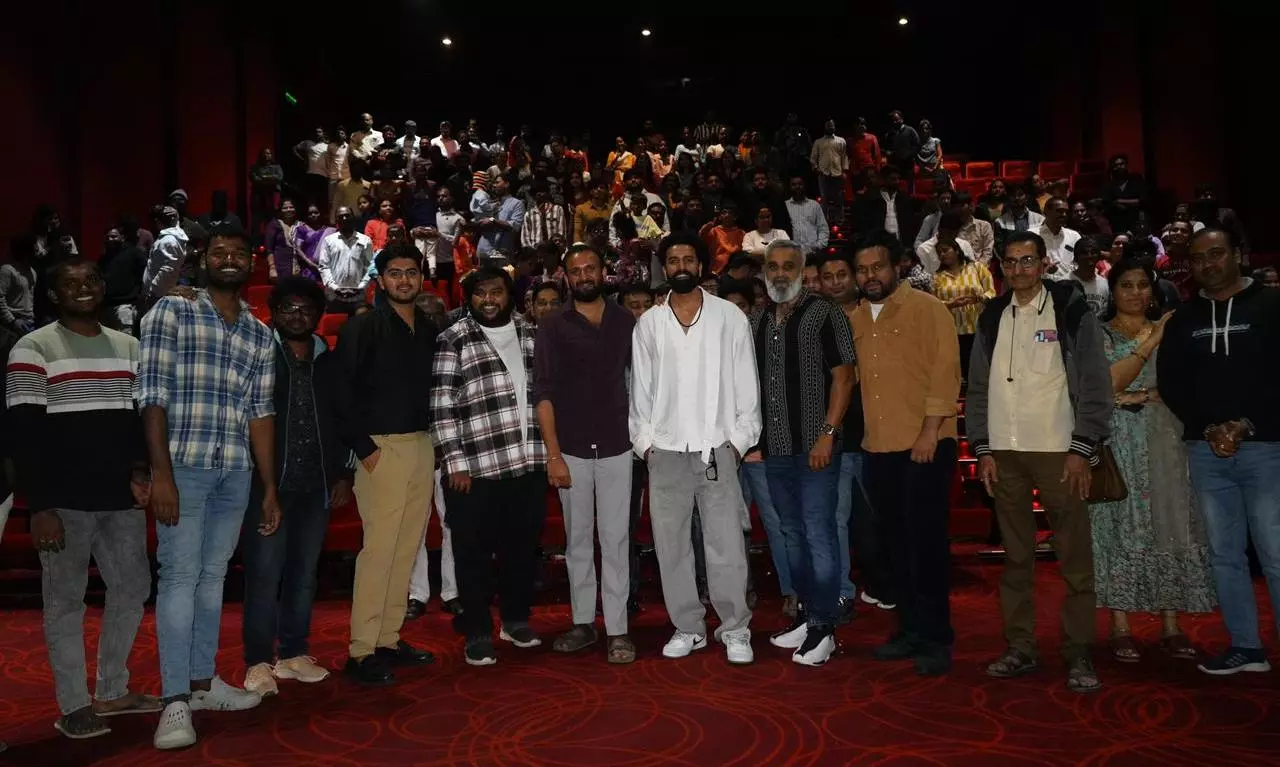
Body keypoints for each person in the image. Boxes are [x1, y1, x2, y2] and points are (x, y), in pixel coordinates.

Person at [6, 258, 160, 739]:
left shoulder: (129, 346)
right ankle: (73, 705)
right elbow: (24, 437)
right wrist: (40, 507)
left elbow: (137, 421)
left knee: (132, 591)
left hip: (120, 499)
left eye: (90, 280)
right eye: (69, 284)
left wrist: (140, 470)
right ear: (53, 295)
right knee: (65, 603)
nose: (83, 289)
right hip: (62, 504)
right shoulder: (33, 347)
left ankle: (112, 690)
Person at [139, 223, 277, 749]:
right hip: (183, 466)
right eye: (219, 252)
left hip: (235, 471)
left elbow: (260, 413)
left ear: (251, 263)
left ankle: (202, 682)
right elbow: (151, 396)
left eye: (238, 252)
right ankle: (174, 700)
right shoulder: (172, 311)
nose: (229, 259)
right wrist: (161, 474)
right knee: (179, 576)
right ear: (203, 259)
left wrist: (268, 486)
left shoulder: (259, 332)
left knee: (214, 577)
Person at [967, 230, 1112, 693]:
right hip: (1004, 452)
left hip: (1059, 452)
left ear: (1045, 262)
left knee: (1074, 559)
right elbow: (977, 387)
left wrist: (1082, 447)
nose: (1018, 269)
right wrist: (983, 448)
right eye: (1010, 262)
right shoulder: (992, 314)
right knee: (1015, 559)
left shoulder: (1070, 311)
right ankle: (1021, 647)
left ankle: (1078, 650)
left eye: (1027, 260)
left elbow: (1095, 381)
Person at [629, 231, 760, 665]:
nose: (681, 266)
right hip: (665, 451)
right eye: (673, 260)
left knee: (726, 544)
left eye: (688, 259)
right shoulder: (650, 323)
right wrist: (646, 445)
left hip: (717, 447)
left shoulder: (729, 317)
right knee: (671, 546)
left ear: (701, 266)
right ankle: (688, 627)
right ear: (664, 268)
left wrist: (738, 443)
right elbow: (640, 391)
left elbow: (747, 384)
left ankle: (735, 627)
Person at [1158, 228, 1280, 675]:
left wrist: (1245, 424)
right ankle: (1246, 646)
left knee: (1275, 551)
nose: (1208, 264)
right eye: (1198, 258)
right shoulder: (1185, 317)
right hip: (1207, 451)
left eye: (1217, 253)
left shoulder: (1271, 305)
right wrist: (1209, 428)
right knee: (1225, 554)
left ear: (1237, 254)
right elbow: (1172, 382)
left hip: (1267, 447)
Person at [1091, 256, 1215, 664]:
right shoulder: (1098, 334)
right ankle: (1120, 626)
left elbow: (1187, 383)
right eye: (1126, 285)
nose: (1135, 293)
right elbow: (1107, 385)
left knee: (1170, 521)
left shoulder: (1173, 329)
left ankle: (1171, 624)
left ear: (1154, 289)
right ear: (1113, 291)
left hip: (1166, 437)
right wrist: (1150, 349)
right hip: (1118, 441)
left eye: (1143, 284)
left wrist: (1138, 395)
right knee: (1119, 525)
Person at [850, 229, 961, 677]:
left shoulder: (928, 309)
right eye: (862, 270)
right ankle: (910, 628)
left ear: (896, 265)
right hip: (879, 448)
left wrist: (930, 431)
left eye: (877, 266)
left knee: (926, 545)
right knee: (894, 546)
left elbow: (946, 372)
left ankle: (935, 637)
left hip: (925, 445)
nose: (870, 276)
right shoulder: (855, 318)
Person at [238, 277, 354, 697]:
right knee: (264, 574)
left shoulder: (328, 358)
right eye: (288, 308)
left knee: (304, 574)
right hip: (268, 484)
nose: (297, 315)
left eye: (306, 309)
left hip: (316, 485)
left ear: (318, 316)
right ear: (274, 312)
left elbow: (342, 416)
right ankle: (257, 661)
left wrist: (343, 474)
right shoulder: (259, 352)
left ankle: (293, 653)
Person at [332, 243, 439, 685]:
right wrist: (365, 449)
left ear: (421, 277)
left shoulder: (428, 329)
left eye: (411, 272)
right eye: (395, 273)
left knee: (406, 548)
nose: (404, 280)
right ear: (380, 279)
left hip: (422, 446)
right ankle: (362, 650)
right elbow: (341, 390)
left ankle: (389, 639)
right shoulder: (363, 327)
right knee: (379, 551)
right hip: (381, 449)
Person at [432, 266, 547, 666]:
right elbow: (442, 407)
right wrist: (454, 463)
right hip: (475, 469)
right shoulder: (453, 338)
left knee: (521, 550)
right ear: (469, 298)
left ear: (509, 295)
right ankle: (478, 630)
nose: (488, 300)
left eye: (496, 291)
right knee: (473, 556)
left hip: (528, 463)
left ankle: (515, 620)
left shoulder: (532, 335)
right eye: (480, 293)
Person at [533, 244, 638, 662]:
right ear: (566, 277)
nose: (583, 276)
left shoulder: (625, 320)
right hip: (571, 449)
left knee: (616, 540)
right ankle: (582, 624)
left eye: (590, 268)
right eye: (575, 271)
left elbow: (642, 381)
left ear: (602, 271)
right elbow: (542, 393)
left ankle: (618, 629)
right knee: (577, 540)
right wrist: (553, 454)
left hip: (617, 445)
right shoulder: (553, 325)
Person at [753, 240, 856, 666]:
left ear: (800, 270)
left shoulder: (825, 313)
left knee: (818, 533)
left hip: (817, 449)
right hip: (776, 448)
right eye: (773, 267)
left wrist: (827, 434)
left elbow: (845, 378)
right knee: (791, 533)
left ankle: (824, 627)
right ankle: (808, 614)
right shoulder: (758, 319)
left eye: (788, 266)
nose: (780, 273)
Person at [406, 293, 460, 621]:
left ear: (445, 316)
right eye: (423, 314)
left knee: (453, 521)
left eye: (435, 314)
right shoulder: (404, 351)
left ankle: (453, 592)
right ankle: (417, 593)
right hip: (414, 446)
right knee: (415, 522)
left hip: (452, 448)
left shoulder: (456, 347)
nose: (430, 320)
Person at [931, 236, 996, 380]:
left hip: (977, 326)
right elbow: (933, 305)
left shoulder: (977, 268)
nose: (942, 255)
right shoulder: (937, 277)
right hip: (952, 331)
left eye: (945, 250)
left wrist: (979, 298)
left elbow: (992, 293)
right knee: (958, 371)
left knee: (979, 370)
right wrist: (950, 304)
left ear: (956, 250)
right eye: (939, 253)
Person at [318, 207, 375, 313]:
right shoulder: (329, 241)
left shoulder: (365, 240)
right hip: (334, 297)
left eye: (347, 215)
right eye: (340, 216)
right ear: (336, 220)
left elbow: (370, 266)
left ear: (353, 217)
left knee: (360, 322)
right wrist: (335, 288)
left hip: (358, 297)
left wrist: (361, 287)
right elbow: (324, 266)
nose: (344, 218)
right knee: (335, 323)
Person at [100, 225, 148, 331]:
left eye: (114, 236)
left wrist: (139, 294)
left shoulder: (134, 254)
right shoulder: (104, 259)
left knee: (125, 336)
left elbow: (145, 275)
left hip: (125, 305)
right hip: (107, 306)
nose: (110, 239)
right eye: (107, 237)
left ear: (122, 237)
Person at [853, 166, 914, 246]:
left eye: (898, 179)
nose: (897, 182)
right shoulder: (870, 198)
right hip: (878, 245)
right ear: (883, 180)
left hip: (900, 244)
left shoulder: (904, 198)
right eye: (893, 179)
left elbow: (909, 223)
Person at [141, 207, 190, 305]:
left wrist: (153, 292)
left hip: (157, 295)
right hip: (161, 292)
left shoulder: (168, 240)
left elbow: (167, 269)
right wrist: (176, 216)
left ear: (157, 221)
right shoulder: (175, 235)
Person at [474, 176, 525, 260]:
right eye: (493, 183)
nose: (494, 185)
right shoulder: (487, 204)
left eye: (497, 182)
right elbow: (476, 222)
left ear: (506, 184)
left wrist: (493, 221)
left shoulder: (517, 204)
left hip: (502, 252)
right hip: (483, 250)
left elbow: (515, 227)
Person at [811, 119, 849, 225]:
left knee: (839, 198)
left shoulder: (841, 141)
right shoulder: (818, 142)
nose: (830, 127)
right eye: (828, 125)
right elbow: (813, 158)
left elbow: (844, 156)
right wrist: (816, 169)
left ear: (834, 126)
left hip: (837, 173)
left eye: (832, 125)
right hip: (823, 173)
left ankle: (839, 220)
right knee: (824, 199)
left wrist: (844, 171)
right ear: (825, 127)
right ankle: (824, 221)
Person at [1100, 154, 1147, 236]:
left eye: (1122, 164)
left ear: (1126, 165)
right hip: (1116, 225)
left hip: (1135, 221)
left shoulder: (1136, 181)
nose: (1119, 167)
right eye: (1116, 165)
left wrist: (1120, 201)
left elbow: (1143, 201)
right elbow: (1107, 203)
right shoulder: (1108, 186)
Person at [0, 235, 37, 334]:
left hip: (29, 321)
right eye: (35, 249)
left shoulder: (32, 271)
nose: (37, 252)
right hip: (12, 323)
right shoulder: (7, 270)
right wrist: (12, 321)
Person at [784, 176, 830, 256]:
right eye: (794, 185)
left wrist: (818, 246)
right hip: (792, 254)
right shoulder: (785, 206)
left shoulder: (814, 205)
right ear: (789, 187)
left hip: (813, 253)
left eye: (800, 184)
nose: (797, 187)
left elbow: (823, 228)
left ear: (804, 186)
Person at [264, 199, 307, 282]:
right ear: (280, 210)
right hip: (280, 270)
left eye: (291, 207)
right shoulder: (274, 225)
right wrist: (272, 268)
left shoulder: (301, 226)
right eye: (285, 208)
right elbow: (269, 249)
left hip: (298, 270)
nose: (288, 210)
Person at [1038, 197, 1081, 279]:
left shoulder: (1074, 236)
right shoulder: (1032, 235)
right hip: (1042, 283)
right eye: (1060, 211)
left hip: (1070, 284)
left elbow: (1080, 263)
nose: (1064, 215)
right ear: (1046, 212)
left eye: (1066, 212)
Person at [1069, 236, 1111, 316]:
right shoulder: (1065, 282)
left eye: (1093, 252)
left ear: (1098, 256)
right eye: (1084, 253)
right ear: (1076, 257)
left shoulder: (1105, 285)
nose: (1089, 256)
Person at [700, 203, 745, 274]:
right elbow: (701, 238)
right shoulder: (714, 231)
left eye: (730, 213)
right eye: (724, 213)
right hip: (716, 270)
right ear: (720, 217)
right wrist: (708, 226)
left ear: (735, 217)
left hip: (735, 270)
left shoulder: (741, 233)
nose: (727, 215)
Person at [294, 127, 330, 211]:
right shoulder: (308, 143)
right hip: (311, 174)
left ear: (323, 134)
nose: (317, 133)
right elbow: (294, 148)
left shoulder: (327, 146)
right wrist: (302, 159)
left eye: (319, 132)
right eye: (316, 132)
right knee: (311, 199)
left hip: (323, 175)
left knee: (322, 200)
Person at [883, 110, 920, 192]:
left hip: (908, 165)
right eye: (893, 120)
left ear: (902, 119)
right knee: (895, 188)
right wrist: (887, 152)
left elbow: (917, 145)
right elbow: (886, 147)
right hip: (895, 166)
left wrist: (907, 155)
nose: (895, 122)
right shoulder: (890, 133)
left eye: (896, 119)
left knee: (910, 188)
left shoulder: (910, 130)